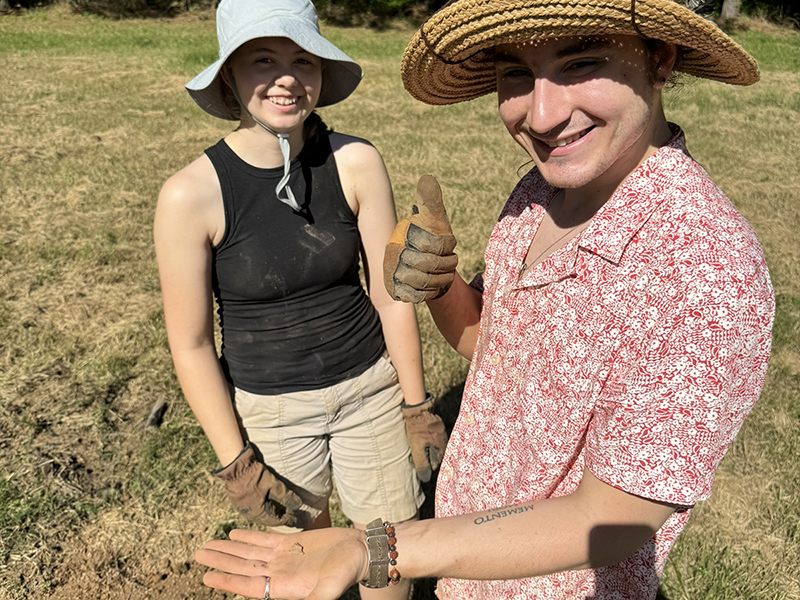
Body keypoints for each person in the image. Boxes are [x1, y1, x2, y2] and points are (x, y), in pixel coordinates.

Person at [192, 0, 775, 598]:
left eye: (581, 64)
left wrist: (376, 547)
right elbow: (493, 346)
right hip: (468, 562)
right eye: (515, 73)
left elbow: (616, 516)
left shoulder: (703, 267)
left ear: (660, 60)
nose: (543, 116)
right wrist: (440, 285)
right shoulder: (541, 190)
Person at [154, 0, 447, 598]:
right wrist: (237, 462)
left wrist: (415, 407)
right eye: (263, 59)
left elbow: (392, 297)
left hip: (370, 392)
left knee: (384, 556)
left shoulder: (357, 162)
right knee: (301, 569)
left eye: (302, 60)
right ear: (230, 75)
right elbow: (190, 344)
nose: (287, 77)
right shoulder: (190, 196)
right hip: (273, 414)